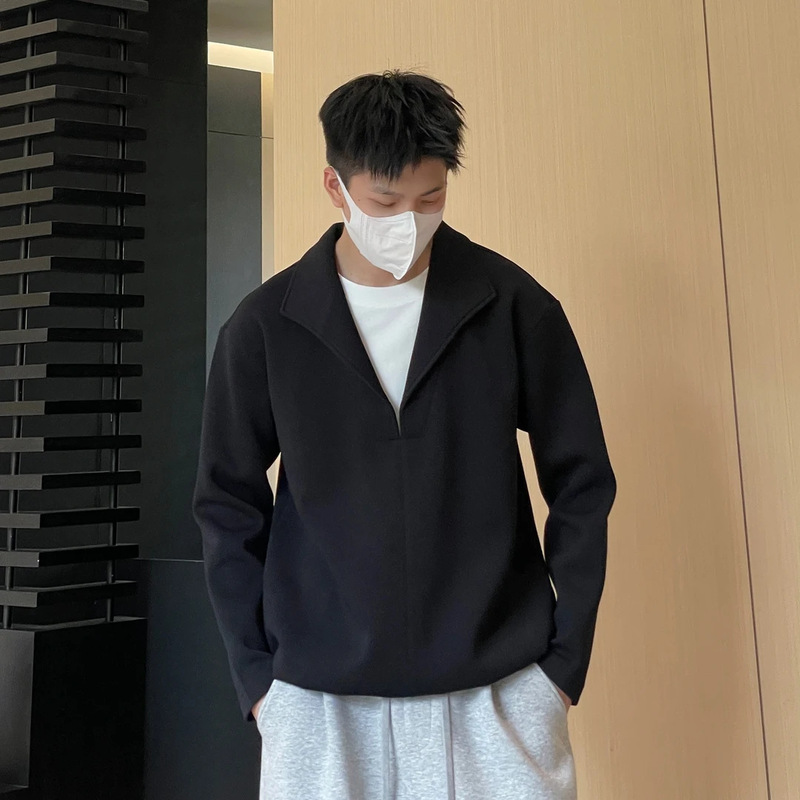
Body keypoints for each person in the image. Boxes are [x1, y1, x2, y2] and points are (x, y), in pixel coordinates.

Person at [192, 69, 617, 800]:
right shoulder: (265, 328)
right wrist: (258, 679)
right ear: (335, 186)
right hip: (318, 701)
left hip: (499, 692)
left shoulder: (512, 306)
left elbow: (582, 481)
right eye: (385, 202)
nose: (409, 222)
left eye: (431, 199)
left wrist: (561, 665)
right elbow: (226, 502)